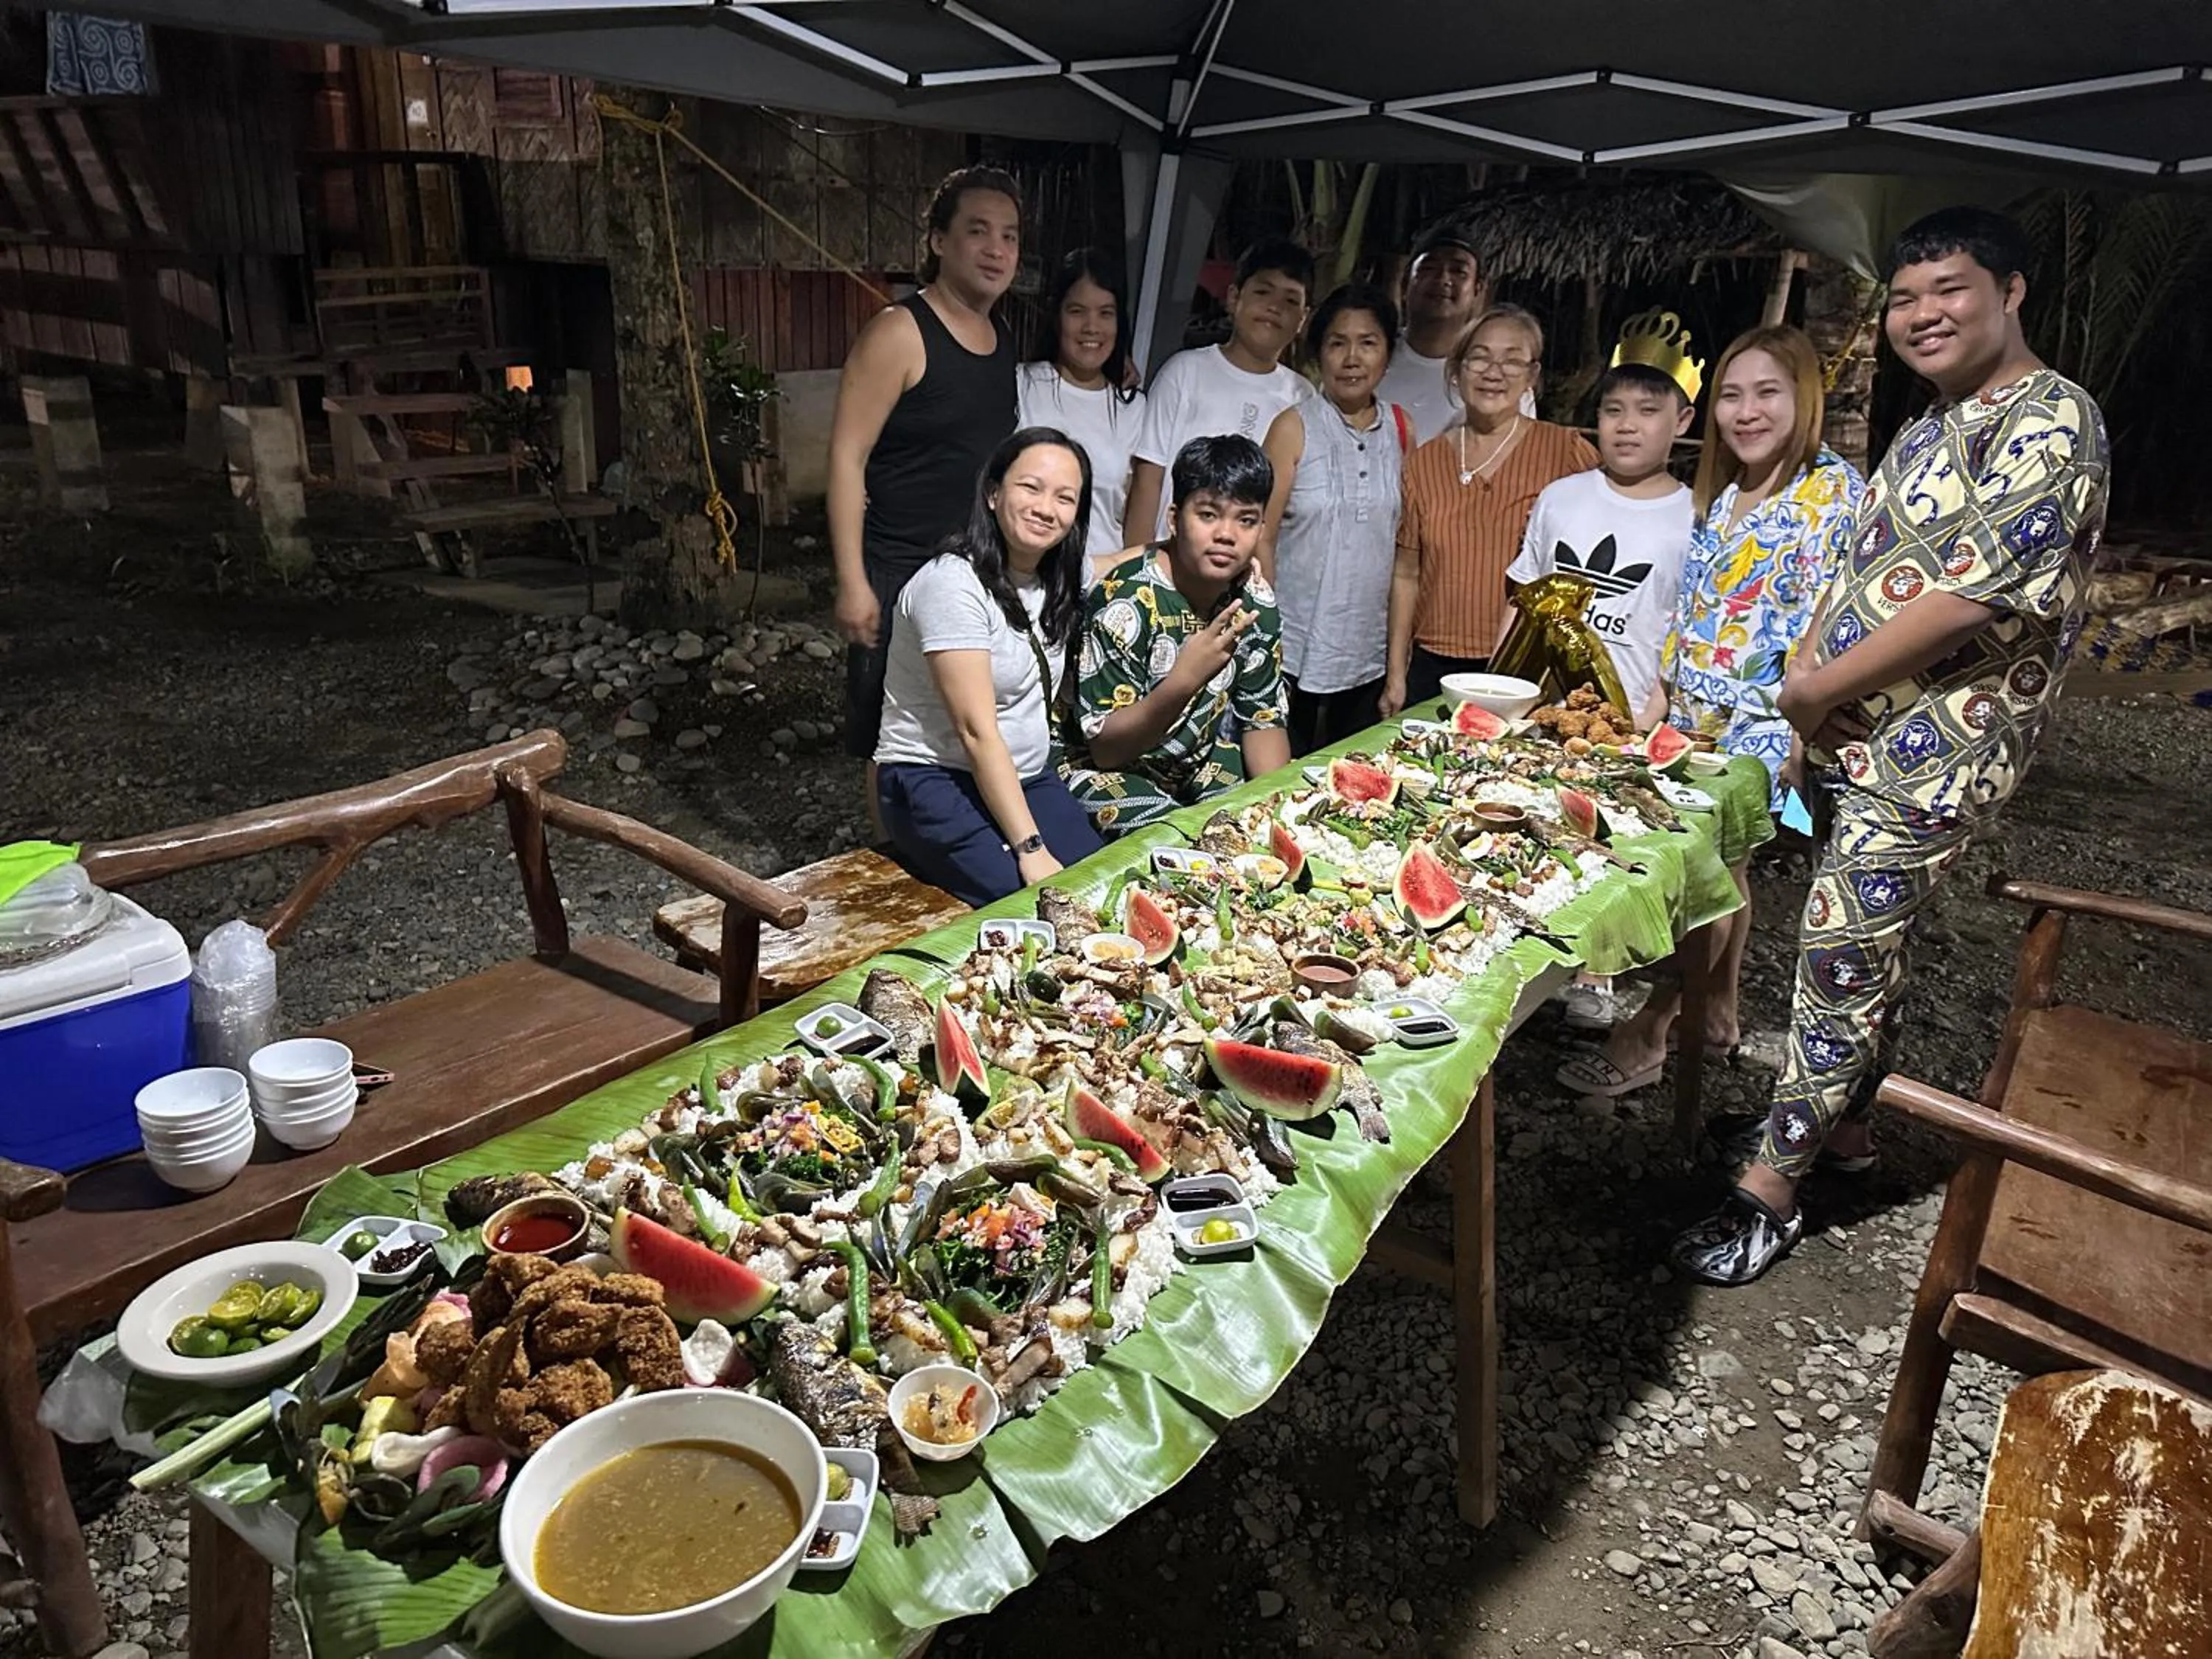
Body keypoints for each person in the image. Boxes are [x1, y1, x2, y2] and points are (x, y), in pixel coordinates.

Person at [1670, 206, 2110, 1287]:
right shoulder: (1928, 425)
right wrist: (1810, 678)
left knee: (1836, 953)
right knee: (1865, 945)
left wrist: (1815, 687)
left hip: (1935, 750)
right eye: (1906, 299)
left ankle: (1769, 1191)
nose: (1921, 316)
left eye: (1948, 291)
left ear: (2010, 293)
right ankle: (1849, 1139)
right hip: (1857, 734)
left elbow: (1967, 597)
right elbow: (1857, 574)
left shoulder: (2053, 419)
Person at [1562, 326, 1866, 1086]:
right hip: (1691, 719)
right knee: (1730, 868)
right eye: (1732, 394)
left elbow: (1836, 619)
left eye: (1768, 393)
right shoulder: (1730, 491)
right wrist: (1660, 696)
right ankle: (1720, 1012)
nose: (1746, 411)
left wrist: (1805, 727)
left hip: (1766, 725)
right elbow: (1695, 612)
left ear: (1805, 397)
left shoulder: (1831, 493)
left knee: (1711, 875)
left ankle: (1653, 1027)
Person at [828, 165, 1021, 807]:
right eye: (978, 231)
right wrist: (853, 580)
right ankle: (886, 861)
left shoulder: (1002, 339)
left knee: (963, 723)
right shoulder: (899, 331)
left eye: (1010, 237)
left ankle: (946, 843)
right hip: (898, 565)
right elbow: (847, 456)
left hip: (973, 571)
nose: (997, 250)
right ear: (939, 241)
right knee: (889, 736)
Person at [874, 428, 1105, 907]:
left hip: (1027, 774)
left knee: (1098, 885)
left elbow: (1119, 560)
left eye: (1066, 498)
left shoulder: (1053, 575)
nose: (1047, 507)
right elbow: (976, 732)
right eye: (1031, 487)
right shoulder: (951, 585)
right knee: (1034, 903)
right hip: (935, 777)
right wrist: (1031, 848)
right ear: (993, 493)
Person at [1064, 434, 1293, 836]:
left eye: (1246, 520)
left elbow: (1263, 720)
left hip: (1192, 761)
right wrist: (1185, 679)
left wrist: (1276, 814)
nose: (1227, 534)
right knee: (1179, 840)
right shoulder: (1127, 601)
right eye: (1208, 515)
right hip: (1097, 766)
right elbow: (1106, 750)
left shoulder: (1255, 599)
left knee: (1266, 817)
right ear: (1174, 519)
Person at [1382, 305, 1599, 714]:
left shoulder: (1566, 453)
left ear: (1532, 376)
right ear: (1457, 370)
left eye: (1512, 359)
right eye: (1479, 357)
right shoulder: (1424, 463)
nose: (1494, 371)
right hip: (1433, 666)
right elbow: (1406, 574)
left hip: (1527, 666)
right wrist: (1396, 673)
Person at [1503, 314, 1702, 723]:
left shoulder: (1696, 519)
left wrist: (1649, 722)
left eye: (1648, 411)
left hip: (1631, 722)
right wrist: (1502, 691)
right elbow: (1522, 601)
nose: (1627, 425)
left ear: (1682, 421)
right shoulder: (1559, 497)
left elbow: (1688, 637)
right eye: (1614, 410)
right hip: (1540, 715)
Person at [1259, 282, 1412, 754]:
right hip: (1291, 648)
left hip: (1366, 654)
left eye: (1368, 343)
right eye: (1337, 342)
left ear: (1387, 356)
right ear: (1318, 353)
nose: (1352, 358)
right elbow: (1260, 535)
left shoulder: (1404, 430)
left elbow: (1404, 559)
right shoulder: (1293, 426)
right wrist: (1261, 642)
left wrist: (1397, 668)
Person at [1121, 239, 1315, 546]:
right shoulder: (1184, 371)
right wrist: (1137, 570)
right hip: (1169, 563)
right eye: (1263, 292)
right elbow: (1148, 478)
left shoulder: (1303, 397)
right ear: (1234, 298)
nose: (1274, 308)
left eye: (1290, 301)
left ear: (1303, 319)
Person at [1016, 248, 1146, 583]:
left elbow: (1137, 517)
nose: (1092, 327)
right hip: (1021, 582)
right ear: (1057, 315)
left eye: (1106, 313)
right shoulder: (1020, 384)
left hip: (1103, 587)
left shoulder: (1135, 408)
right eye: (1077, 311)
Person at [1375, 225, 1486, 444]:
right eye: (1429, 268)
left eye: (1459, 271)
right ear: (1406, 284)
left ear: (1477, 290)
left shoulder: (1493, 379)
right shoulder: (1369, 361)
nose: (1443, 279)